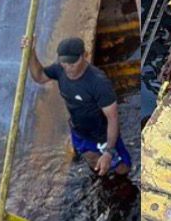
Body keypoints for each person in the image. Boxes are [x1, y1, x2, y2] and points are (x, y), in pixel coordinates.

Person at [23, 35, 132, 176]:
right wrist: (31, 52)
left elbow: (113, 118)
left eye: (73, 62)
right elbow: (39, 76)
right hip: (79, 131)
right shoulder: (59, 70)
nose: (68, 67)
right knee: (92, 161)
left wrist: (109, 152)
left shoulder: (98, 83)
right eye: (65, 62)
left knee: (122, 169)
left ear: (85, 55)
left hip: (101, 135)